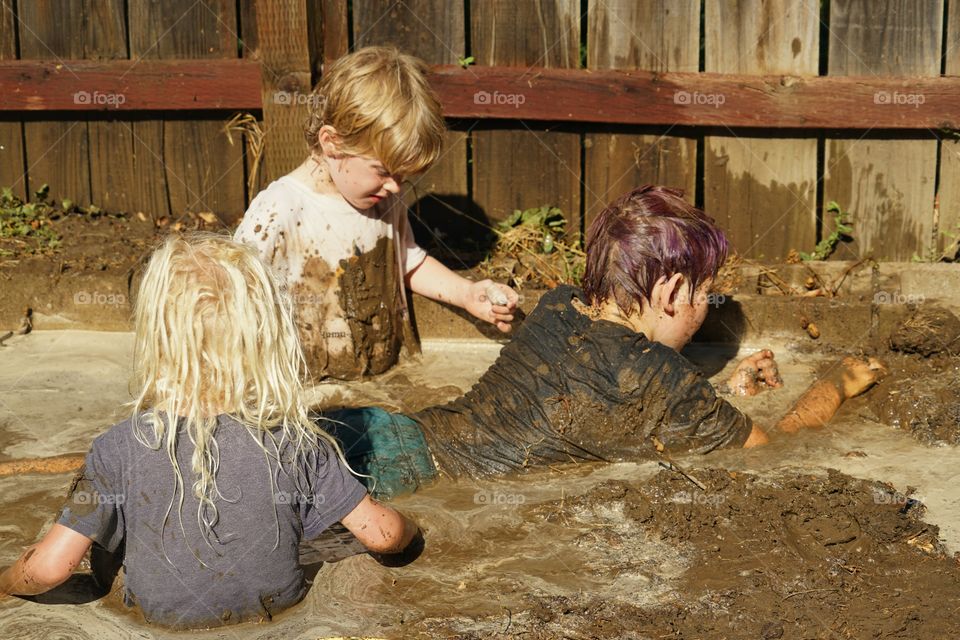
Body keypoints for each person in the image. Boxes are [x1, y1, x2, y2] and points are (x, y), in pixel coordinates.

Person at [321, 185, 886, 496]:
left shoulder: (560, 303)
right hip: (400, 479)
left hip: (379, 429)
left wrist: (722, 400)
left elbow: (610, 388)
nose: (702, 314)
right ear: (669, 291)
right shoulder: (658, 381)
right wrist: (831, 387)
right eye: (704, 296)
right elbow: (775, 453)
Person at [0, 234, 420, 629]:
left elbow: (49, 569)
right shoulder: (297, 441)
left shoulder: (118, 447)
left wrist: (5, 582)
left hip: (157, 619)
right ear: (265, 338)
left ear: (156, 337)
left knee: (100, 541)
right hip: (279, 609)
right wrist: (415, 529)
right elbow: (382, 535)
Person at [235, 46, 517, 381]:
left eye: (403, 176)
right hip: (307, 391)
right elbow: (235, 305)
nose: (396, 188)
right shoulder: (278, 212)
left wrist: (466, 293)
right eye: (383, 171)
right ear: (332, 144)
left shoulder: (382, 200)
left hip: (383, 381)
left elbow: (408, 261)